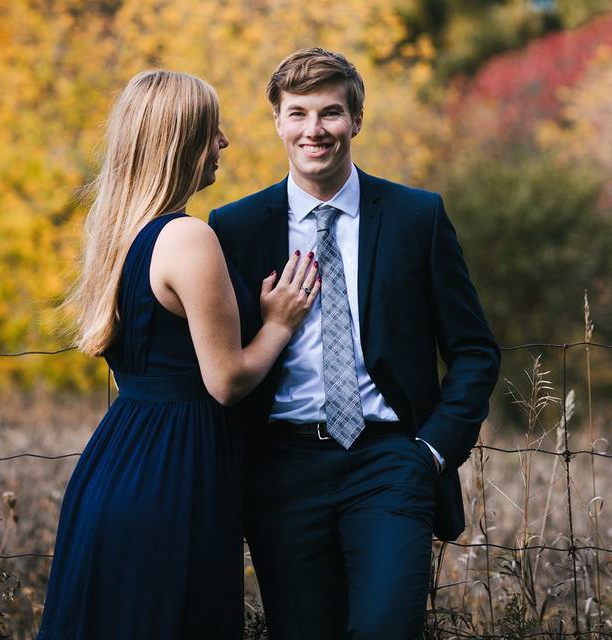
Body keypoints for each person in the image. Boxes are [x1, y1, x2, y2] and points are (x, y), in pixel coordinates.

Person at [209, 48, 500, 639]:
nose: (313, 130)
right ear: (277, 122)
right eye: (297, 114)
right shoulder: (234, 228)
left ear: (356, 120)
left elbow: (474, 350)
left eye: (330, 113)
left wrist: (432, 453)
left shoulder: (418, 217)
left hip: (391, 461)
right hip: (282, 466)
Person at [38, 70, 319, 639]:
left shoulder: (119, 232)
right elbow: (227, 380)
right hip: (174, 477)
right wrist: (279, 323)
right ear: (181, 141)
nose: (224, 141)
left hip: (118, 463)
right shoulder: (187, 239)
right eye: (212, 129)